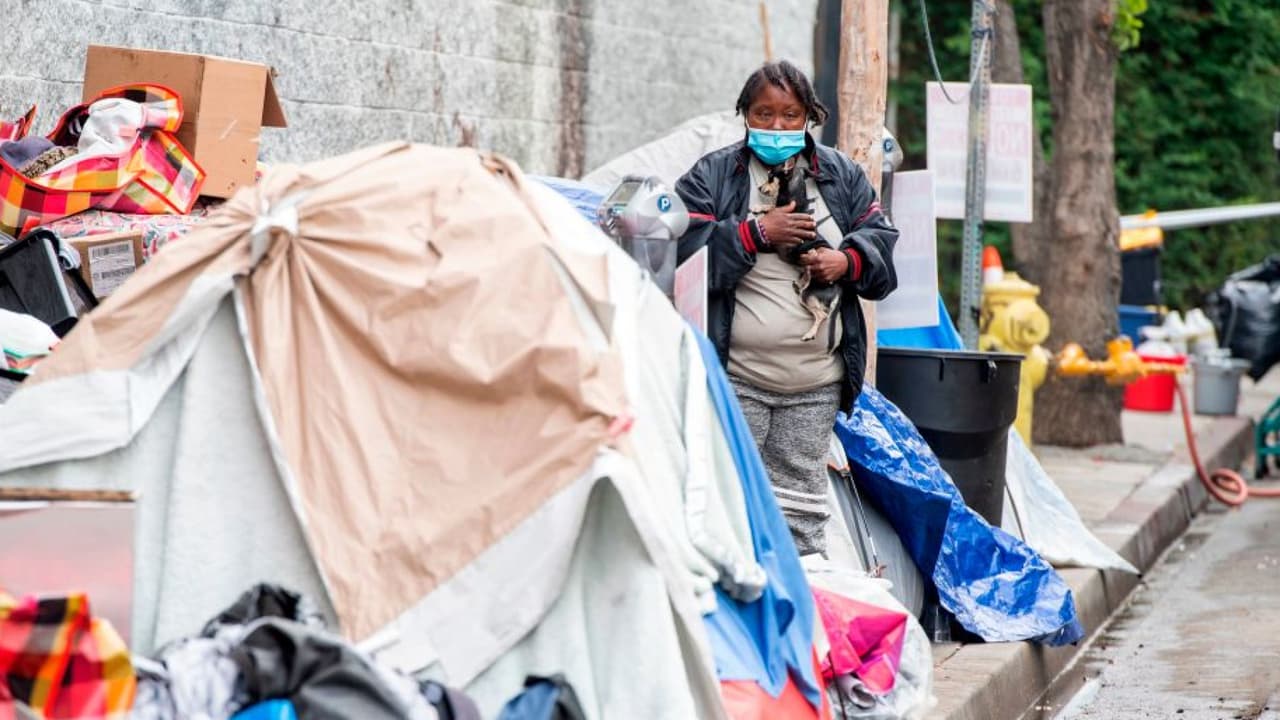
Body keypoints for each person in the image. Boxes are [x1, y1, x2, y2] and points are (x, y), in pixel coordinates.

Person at [675, 60, 898, 556]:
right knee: (729, 505)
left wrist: (845, 262)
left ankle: (803, 614)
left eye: (790, 115)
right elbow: (681, 257)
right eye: (764, 114)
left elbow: (882, 247)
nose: (777, 127)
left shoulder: (841, 177)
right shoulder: (712, 175)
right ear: (745, 115)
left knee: (800, 510)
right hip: (736, 379)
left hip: (814, 384)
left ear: (809, 117)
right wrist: (756, 234)